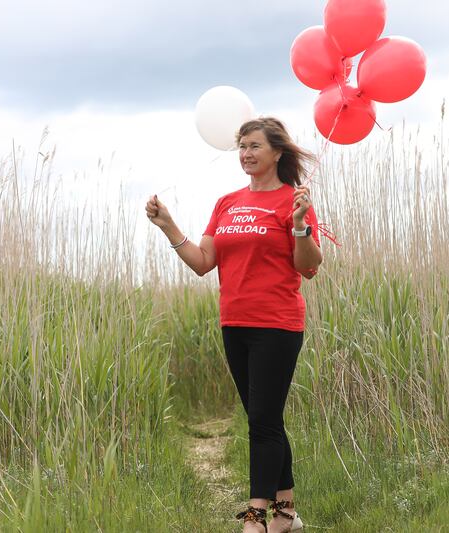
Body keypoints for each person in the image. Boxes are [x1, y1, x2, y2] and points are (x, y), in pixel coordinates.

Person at [145, 117, 322, 533]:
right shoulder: (227, 202)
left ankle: (257, 518)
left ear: (278, 152)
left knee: (262, 420)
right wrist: (168, 225)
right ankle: (287, 512)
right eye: (241, 146)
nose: (245, 153)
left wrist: (299, 226)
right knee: (266, 419)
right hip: (234, 321)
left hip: (277, 323)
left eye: (254, 146)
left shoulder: (292, 200)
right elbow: (204, 263)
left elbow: (309, 266)